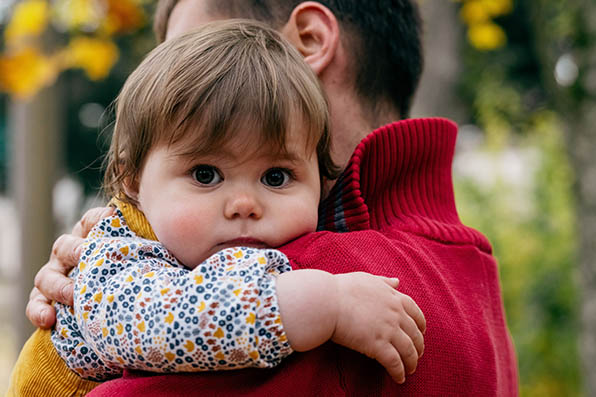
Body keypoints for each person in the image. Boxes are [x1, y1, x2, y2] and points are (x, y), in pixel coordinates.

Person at [21, 0, 520, 396]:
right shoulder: (474, 276)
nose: (244, 205)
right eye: (204, 173)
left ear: (306, 43)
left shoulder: (321, 280)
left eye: (200, 49)